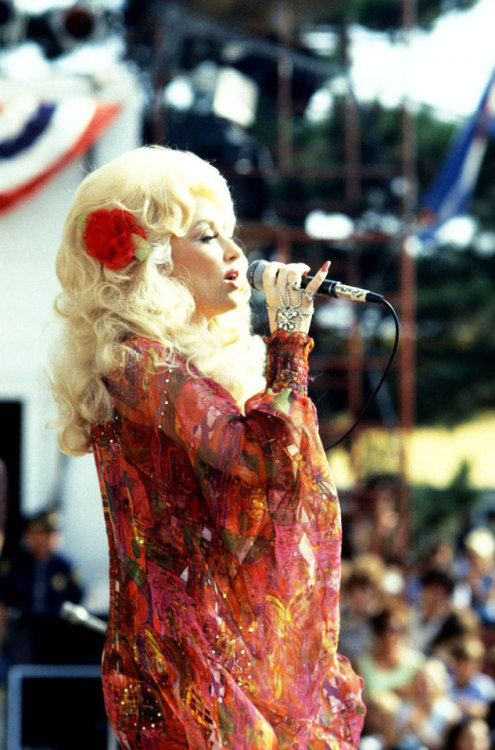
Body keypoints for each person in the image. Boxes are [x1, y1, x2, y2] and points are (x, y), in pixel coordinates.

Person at [48, 145, 365, 749]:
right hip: (185, 663)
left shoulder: (164, 367)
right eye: (206, 235)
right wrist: (290, 338)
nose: (236, 254)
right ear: (150, 258)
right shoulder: (137, 361)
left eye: (230, 233)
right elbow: (262, 460)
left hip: (206, 650)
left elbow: (247, 511)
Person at [0, 510, 83, 669]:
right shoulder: (15, 566)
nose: (49, 538)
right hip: (22, 636)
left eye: (52, 533)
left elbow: (77, 604)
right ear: (29, 535)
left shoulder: (66, 569)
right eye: (43, 533)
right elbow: (3, 606)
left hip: (57, 636)